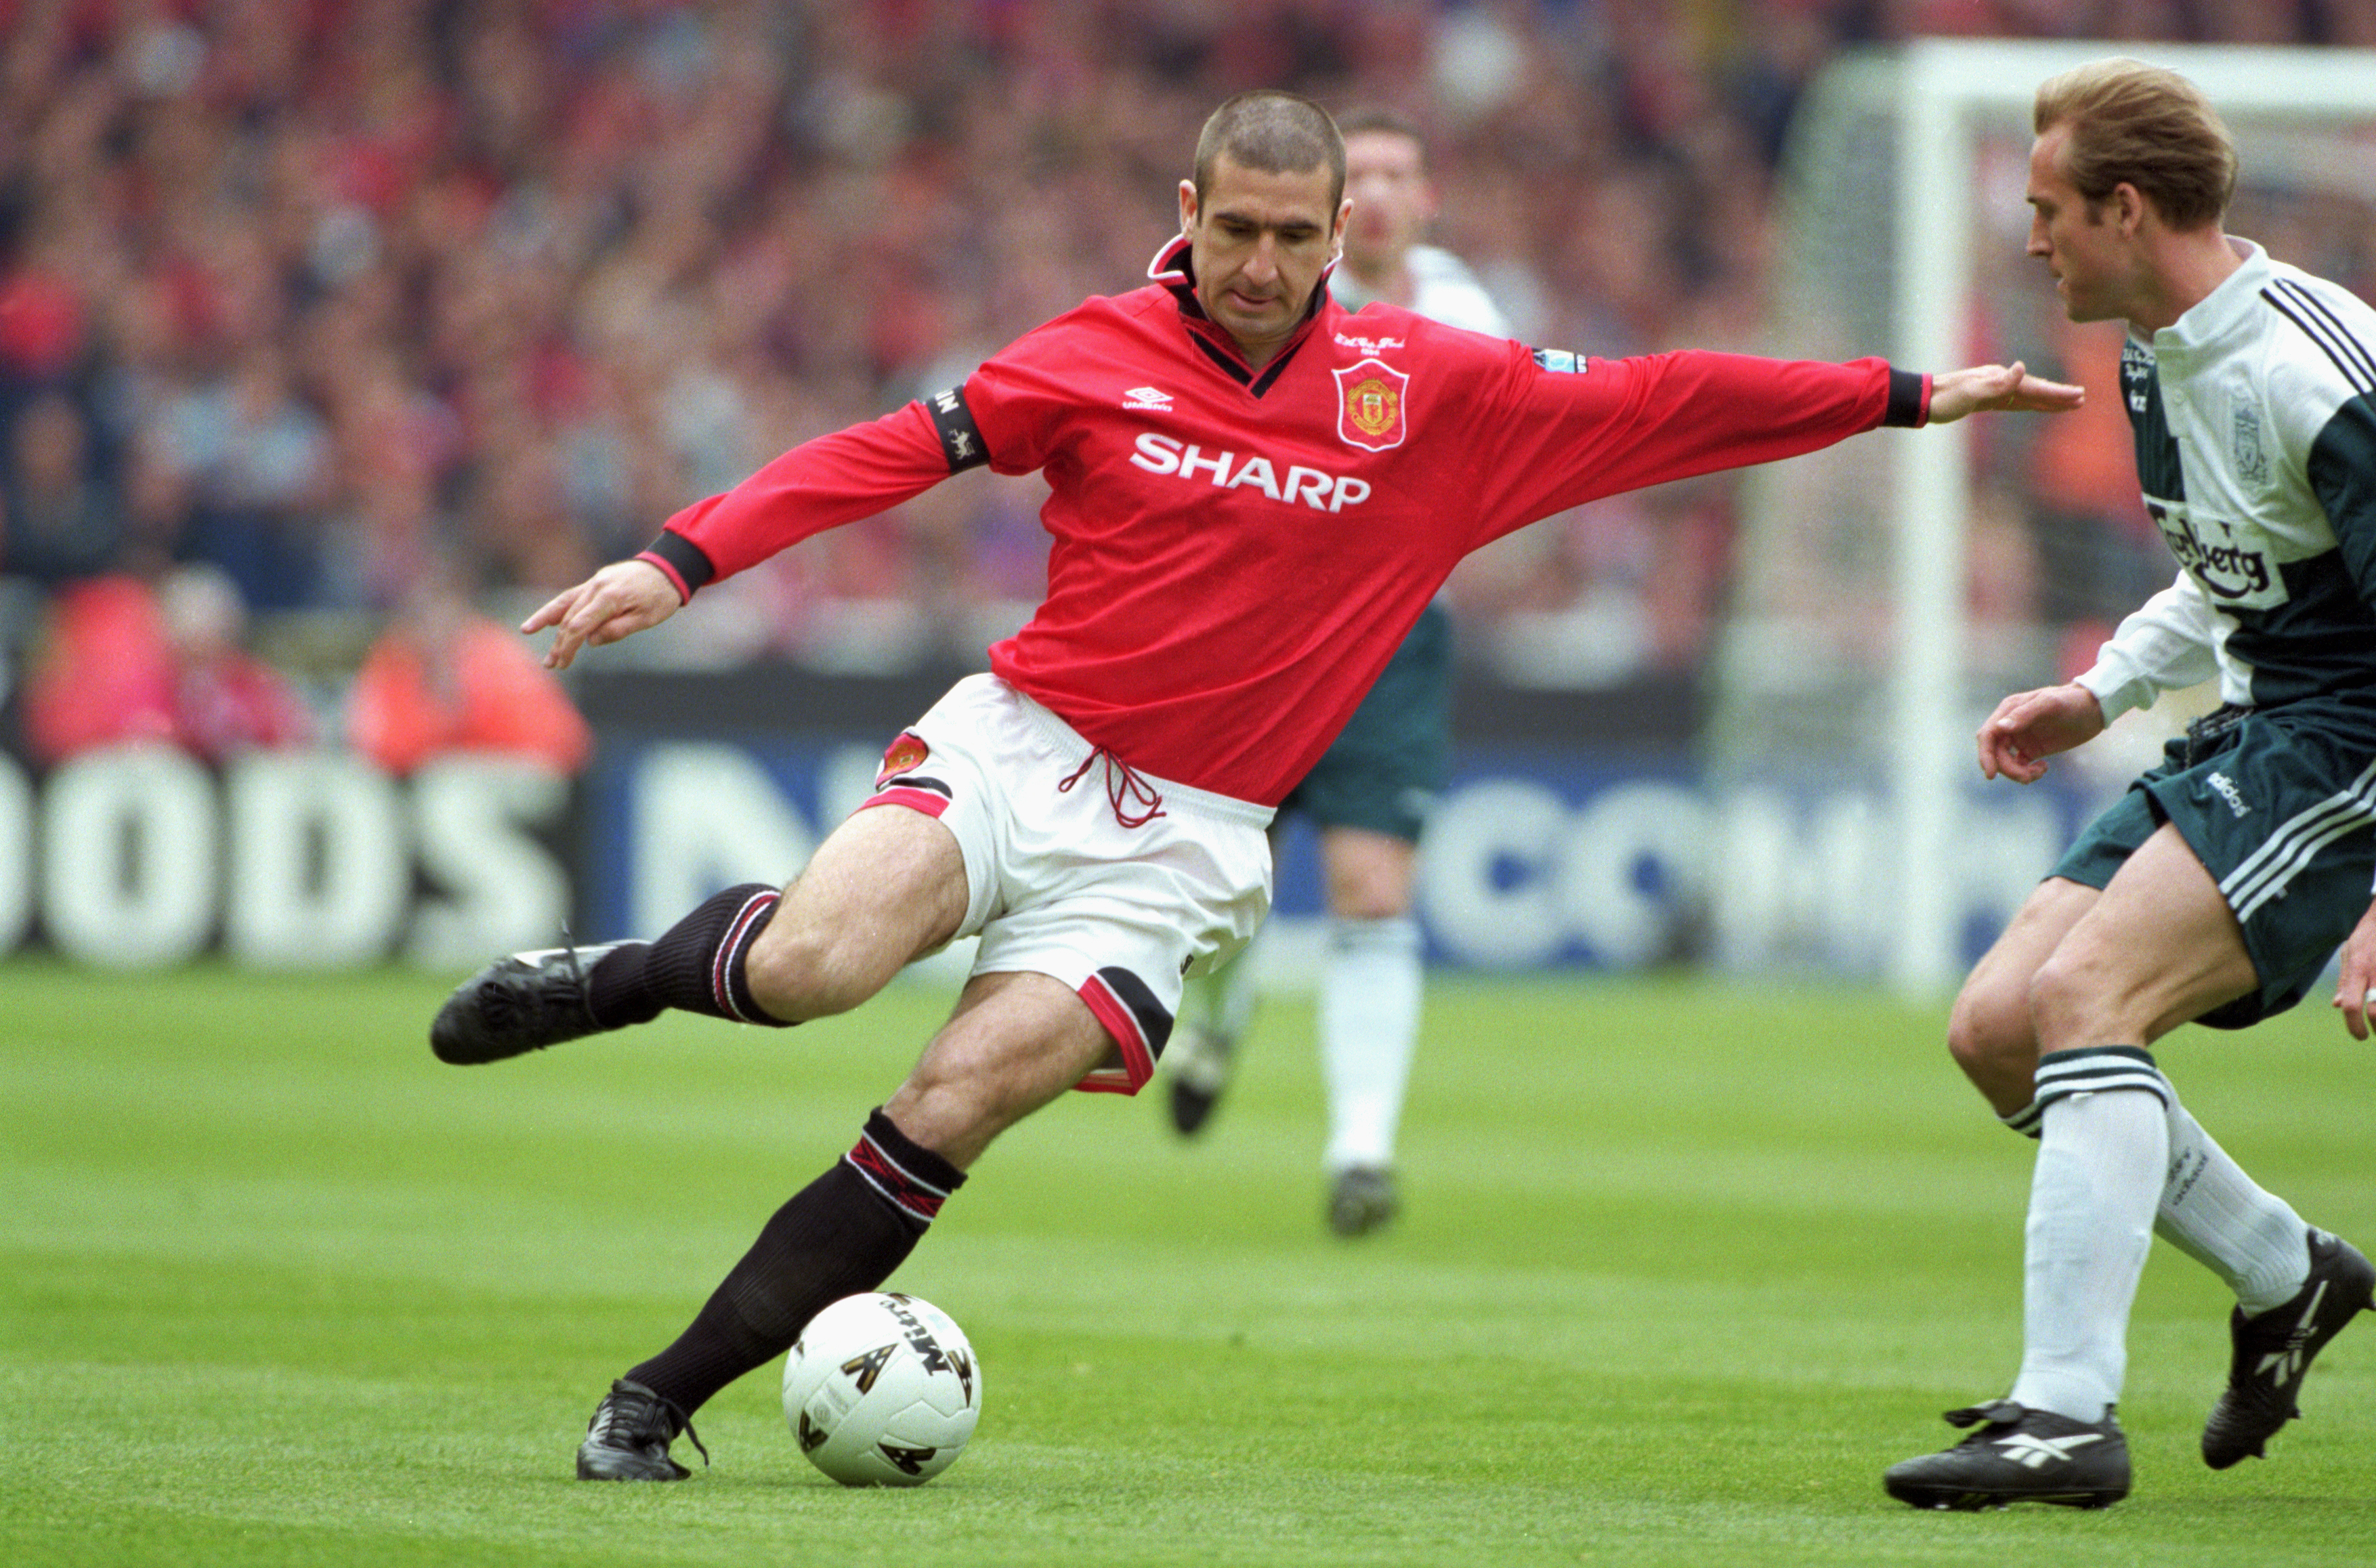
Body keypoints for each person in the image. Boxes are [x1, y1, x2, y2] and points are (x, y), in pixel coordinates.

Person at [426, 89, 2077, 1483]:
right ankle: (622, 976)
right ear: (1188, 212)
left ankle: (655, 1402)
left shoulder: (1435, 392)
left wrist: (1912, 395)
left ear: (1341, 231)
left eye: (1300, 238)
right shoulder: (1088, 350)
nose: (1268, 266)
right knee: (801, 972)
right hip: (1023, 749)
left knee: (950, 1107)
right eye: (1241, 233)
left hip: (1187, 845)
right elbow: (880, 450)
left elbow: (1669, 400)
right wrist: (678, 560)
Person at [1882, 59, 2376, 1512]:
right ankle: (2288, 1277)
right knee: (1995, 1031)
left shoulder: (2315, 372)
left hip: (2346, 737)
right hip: (2255, 714)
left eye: (2046, 211)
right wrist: (2097, 687)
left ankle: (2061, 1417)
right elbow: (2230, 557)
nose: (2028, 238)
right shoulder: (2157, 345)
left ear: (2123, 204)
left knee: (2084, 1003)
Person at [1163, 108, 1510, 1238]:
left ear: (1421, 199)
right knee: (1225, 891)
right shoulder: (1257, 308)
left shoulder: (1465, 318)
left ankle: (1361, 1148)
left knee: (1372, 889)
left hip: (1393, 641)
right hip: (1256, 633)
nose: (1390, 193)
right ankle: (1215, 1026)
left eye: (1406, 172)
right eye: (1370, 174)